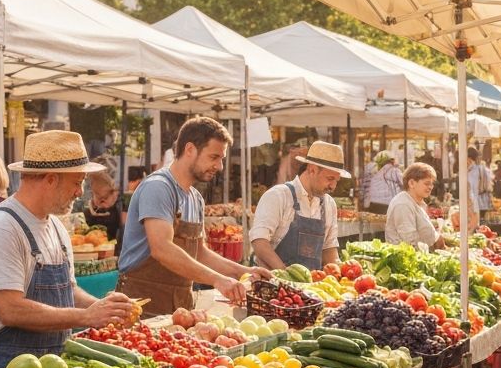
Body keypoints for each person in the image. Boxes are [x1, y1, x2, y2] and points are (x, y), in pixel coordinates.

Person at [0, 131, 135, 368]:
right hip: (2, 366)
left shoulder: (55, 225)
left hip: (50, 365)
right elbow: (10, 309)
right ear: (51, 180)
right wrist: (87, 316)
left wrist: (101, 308)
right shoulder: (1, 227)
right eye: (77, 182)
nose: (80, 192)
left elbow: (68, 290)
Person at [118, 116, 268, 317]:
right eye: (214, 157)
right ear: (190, 149)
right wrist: (217, 279)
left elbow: (200, 253)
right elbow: (161, 248)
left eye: (221, 159)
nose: (220, 166)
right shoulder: (159, 187)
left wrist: (242, 271)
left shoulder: (195, 198)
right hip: (141, 304)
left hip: (179, 305)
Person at [251, 140, 346, 272]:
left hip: (311, 287)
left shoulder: (329, 204)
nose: (333, 186)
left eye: (336, 180)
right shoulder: (278, 196)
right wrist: (287, 275)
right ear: (312, 170)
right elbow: (259, 243)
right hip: (273, 282)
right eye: (330, 179)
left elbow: (329, 248)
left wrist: (341, 272)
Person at [385, 163, 446, 250]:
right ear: (412, 183)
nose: (431, 187)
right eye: (427, 183)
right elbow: (410, 242)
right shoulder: (403, 204)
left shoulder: (416, 202)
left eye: (432, 184)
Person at [82, 162, 125, 251]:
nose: (102, 203)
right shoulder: (89, 211)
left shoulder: (120, 208)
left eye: (104, 198)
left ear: (115, 194)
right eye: (98, 197)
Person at [466, 147, 492, 218]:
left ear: (469, 158)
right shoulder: (485, 169)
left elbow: (473, 190)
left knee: (476, 225)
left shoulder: (472, 171)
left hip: (476, 204)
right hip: (485, 203)